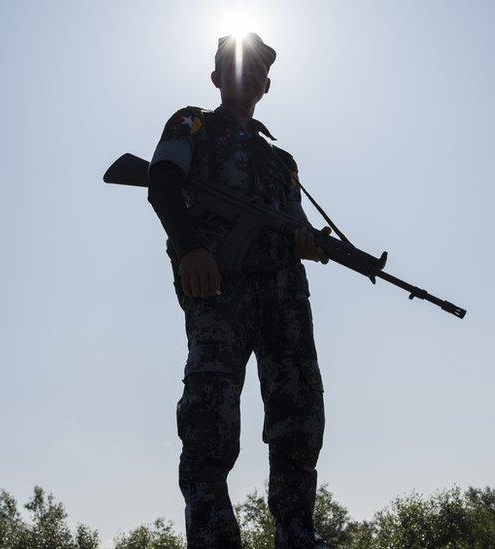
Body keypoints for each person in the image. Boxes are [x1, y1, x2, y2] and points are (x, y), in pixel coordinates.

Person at [146, 33, 331, 549]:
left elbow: (293, 226)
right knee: (210, 417)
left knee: (299, 416)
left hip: (286, 301)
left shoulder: (282, 160)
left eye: (257, 70)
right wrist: (190, 250)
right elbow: (161, 182)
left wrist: (311, 243)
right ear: (215, 78)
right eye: (236, 66)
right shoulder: (192, 123)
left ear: (266, 85)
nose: (247, 75)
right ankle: (213, 537)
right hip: (218, 288)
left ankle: (297, 534)